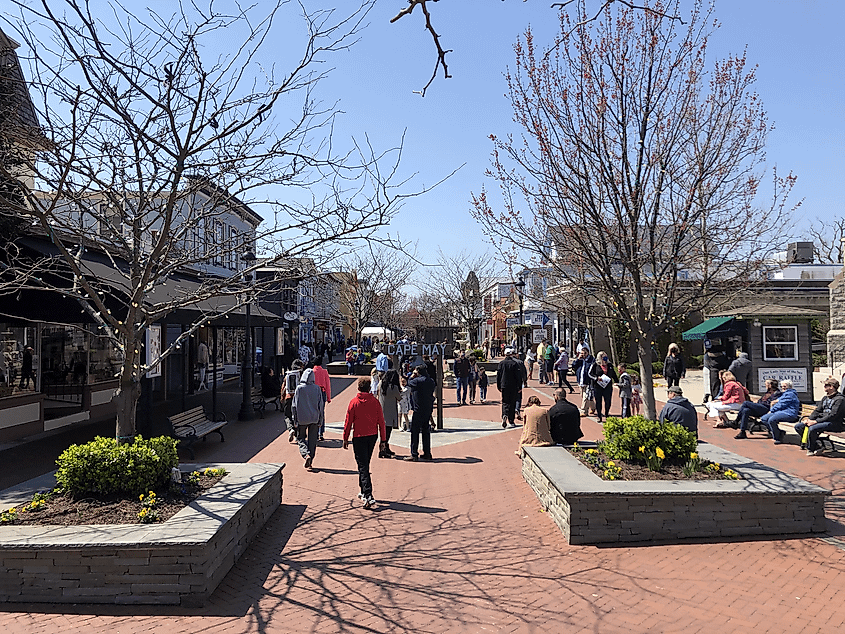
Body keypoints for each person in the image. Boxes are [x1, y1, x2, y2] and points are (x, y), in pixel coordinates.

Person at [343, 377, 387, 509]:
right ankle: (363, 490)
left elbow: (348, 422)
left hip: (359, 436)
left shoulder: (354, 402)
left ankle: (368, 493)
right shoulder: (375, 402)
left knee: (362, 465)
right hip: (372, 435)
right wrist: (383, 440)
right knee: (365, 463)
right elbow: (381, 422)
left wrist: (345, 437)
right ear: (369, 388)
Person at [793, 377, 845, 455]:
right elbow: (817, 410)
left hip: (835, 423)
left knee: (812, 428)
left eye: (826, 385)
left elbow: (833, 415)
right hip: (822, 421)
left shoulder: (840, 399)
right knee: (799, 426)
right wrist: (809, 419)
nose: (824, 387)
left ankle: (811, 449)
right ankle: (817, 446)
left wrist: (816, 421)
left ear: (831, 387)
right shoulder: (825, 398)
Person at [292, 368, 325, 471]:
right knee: (312, 440)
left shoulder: (299, 389)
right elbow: (321, 406)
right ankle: (311, 459)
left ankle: (306, 455)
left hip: (302, 418)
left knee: (300, 438)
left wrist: (295, 419)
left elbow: (294, 405)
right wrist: (321, 419)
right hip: (314, 417)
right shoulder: (317, 388)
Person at [406, 364, 436, 461]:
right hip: (427, 409)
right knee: (425, 431)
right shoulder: (431, 381)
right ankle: (427, 453)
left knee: (415, 431)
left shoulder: (418, 381)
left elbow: (409, 382)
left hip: (418, 409)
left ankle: (414, 454)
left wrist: (412, 375)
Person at [761, 379, 802, 445]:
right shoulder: (784, 394)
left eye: (785, 386)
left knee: (771, 420)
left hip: (790, 413)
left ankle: (777, 438)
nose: (783, 388)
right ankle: (779, 432)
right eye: (782, 386)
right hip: (781, 412)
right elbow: (777, 402)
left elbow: (781, 404)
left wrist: (771, 411)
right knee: (764, 418)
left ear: (790, 387)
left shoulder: (790, 394)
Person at [377, 369, 402, 458]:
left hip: (381, 410)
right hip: (390, 412)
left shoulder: (381, 384)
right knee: (387, 432)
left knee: (383, 432)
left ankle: (385, 448)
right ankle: (382, 450)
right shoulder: (394, 387)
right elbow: (399, 398)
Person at [497, 347, 524, 428]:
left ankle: (504, 414)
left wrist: (499, 385)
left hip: (504, 385)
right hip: (513, 386)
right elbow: (518, 376)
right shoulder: (514, 364)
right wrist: (520, 386)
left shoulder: (501, 363)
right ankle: (511, 420)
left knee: (505, 402)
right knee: (512, 402)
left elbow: (499, 375)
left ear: (505, 354)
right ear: (511, 354)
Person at [588, 351, 617, 423]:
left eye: (605, 356)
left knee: (608, 401)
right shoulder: (595, 365)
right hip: (598, 386)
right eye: (603, 357)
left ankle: (607, 413)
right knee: (598, 401)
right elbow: (590, 374)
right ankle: (599, 416)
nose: (604, 358)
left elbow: (613, 374)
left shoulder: (609, 365)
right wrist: (596, 378)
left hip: (608, 386)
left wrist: (617, 381)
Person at [282, 360, 303, 442]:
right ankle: (297, 436)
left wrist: (282, 398)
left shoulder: (287, 375)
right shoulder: (300, 375)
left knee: (287, 415)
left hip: (288, 397)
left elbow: (283, 388)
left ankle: (290, 429)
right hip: (298, 398)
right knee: (298, 416)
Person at [312, 356, 332, 441]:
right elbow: (327, 385)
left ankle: (314, 433)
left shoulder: (311, 372)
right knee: (321, 412)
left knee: (313, 412)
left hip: (313, 393)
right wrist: (328, 397)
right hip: (322, 392)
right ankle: (321, 433)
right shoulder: (324, 372)